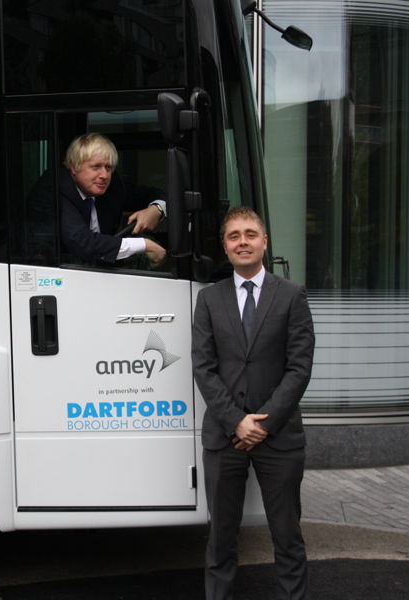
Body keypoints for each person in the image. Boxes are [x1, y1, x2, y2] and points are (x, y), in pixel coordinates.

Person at [191, 205, 315, 600]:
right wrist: (236, 421)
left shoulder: (292, 295)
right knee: (221, 539)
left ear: (264, 241)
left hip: (278, 436)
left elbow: (299, 367)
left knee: (287, 537)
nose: (242, 242)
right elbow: (203, 368)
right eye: (234, 236)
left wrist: (263, 422)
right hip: (225, 436)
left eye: (249, 234)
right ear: (225, 247)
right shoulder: (208, 299)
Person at [58, 133, 167, 265]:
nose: (104, 175)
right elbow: (82, 242)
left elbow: (154, 193)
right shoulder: (59, 188)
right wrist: (143, 245)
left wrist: (156, 209)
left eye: (108, 167)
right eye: (96, 167)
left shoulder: (112, 186)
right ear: (74, 167)